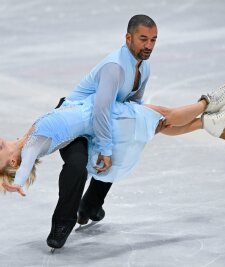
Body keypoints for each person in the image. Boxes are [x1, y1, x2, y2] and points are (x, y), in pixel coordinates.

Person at [0, 81, 225, 248]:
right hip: (105, 116)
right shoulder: (31, 148)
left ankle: (206, 123)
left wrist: (0, 150)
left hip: (96, 114)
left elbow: (15, 149)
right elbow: (25, 162)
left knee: (157, 126)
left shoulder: (27, 138)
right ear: (14, 161)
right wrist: (16, 183)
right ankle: (208, 102)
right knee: (162, 116)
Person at [42, 14, 158, 249]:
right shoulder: (115, 66)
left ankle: (91, 205)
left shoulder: (143, 68)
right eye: (143, 39)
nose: (148, 46)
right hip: (73, 121)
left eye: (153, 40)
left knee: (122, 146)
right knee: (77, 165)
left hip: (98, 118)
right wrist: (105, 147)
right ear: (128, 38)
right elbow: (101, 109)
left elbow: (131, 106)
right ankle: (63, 223)